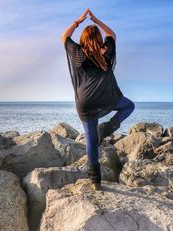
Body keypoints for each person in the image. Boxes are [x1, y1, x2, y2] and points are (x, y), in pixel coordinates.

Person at [62, 8, 135, 190]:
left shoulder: (78, 53)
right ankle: (107, 127)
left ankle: (95, 181)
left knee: (91, 139)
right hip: (105, 98)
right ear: (99, 39)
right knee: (129, 106)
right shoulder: (106, 52)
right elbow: (112, 34)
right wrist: (96, 20)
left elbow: (64, 36)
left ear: (84, 39)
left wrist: (79, 21)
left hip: (85, 103)